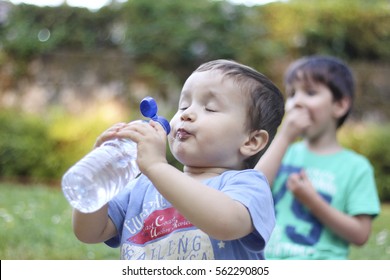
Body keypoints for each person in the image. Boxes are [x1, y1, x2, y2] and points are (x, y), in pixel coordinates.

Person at [72, 59, 285, 260]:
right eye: (183, 106)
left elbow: (226, 223)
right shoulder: (142, 187)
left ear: (252, 141)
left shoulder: (249, 186)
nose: (186, 114)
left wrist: (156, 166)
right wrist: (97, 177)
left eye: (209, 108)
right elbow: (89, 232)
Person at [255, 55, 381, 259]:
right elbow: (251, 190)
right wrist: (284, 137)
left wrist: (313, 202)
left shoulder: (356, 167)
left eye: (310, 93)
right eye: (292, 94)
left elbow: (360, 234)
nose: (297, 103)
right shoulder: (282, 152)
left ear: (339, 105)